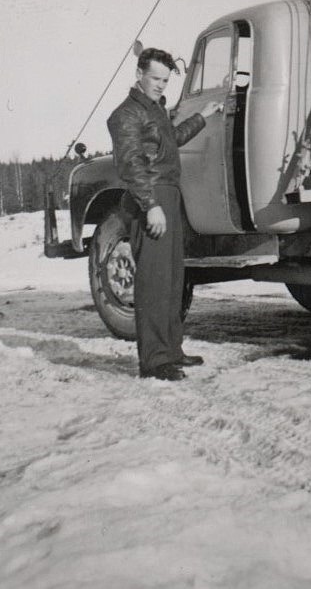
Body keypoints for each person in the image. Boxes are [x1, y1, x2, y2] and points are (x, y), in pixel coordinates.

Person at [107, 47, 221, 381]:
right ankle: (154, 362)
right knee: (154, 282)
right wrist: (150, 205)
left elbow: (171, 140)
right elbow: (132, 164)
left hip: (169, 195)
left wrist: (204, 115)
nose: (160, 85)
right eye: (155, 78)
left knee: (172, 280)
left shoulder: (155, 110)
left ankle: (171, 351)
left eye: (165, 80)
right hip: (151, 200)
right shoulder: (125, 115)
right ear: (139, 75)